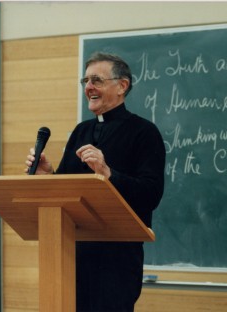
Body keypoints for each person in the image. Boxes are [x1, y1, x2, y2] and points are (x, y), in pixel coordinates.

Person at [25, 52, 166, 311]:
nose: (89, 87)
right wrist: (49, 176)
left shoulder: (144, 132)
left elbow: (151, 194)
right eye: (85, 80)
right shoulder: (81, 131)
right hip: (72, 256)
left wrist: (108, 173)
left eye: (97, 80)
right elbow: (69, 192)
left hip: (117, 262)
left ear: (122, 86)